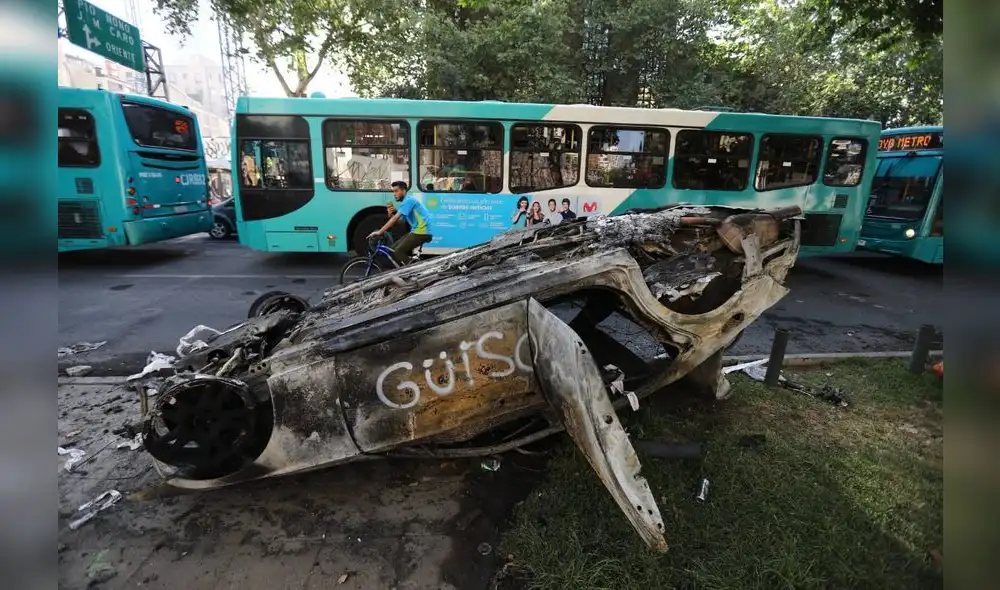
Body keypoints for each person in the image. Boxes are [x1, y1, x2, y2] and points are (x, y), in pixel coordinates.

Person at [367, 181, 433, 264]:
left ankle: (413, 269)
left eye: (396, 191)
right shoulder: (405, 203)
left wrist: (380, 232)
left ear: (404, 191)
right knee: (392, 249)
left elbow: (394, 219)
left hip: (422, 231)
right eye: (393, 191)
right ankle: (407, 264)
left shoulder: (409, 201)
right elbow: (401, 223)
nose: (394, 194)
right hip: (417, 231)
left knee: (398, 251)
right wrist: (392, 215)